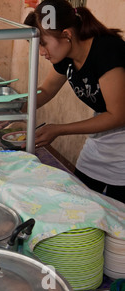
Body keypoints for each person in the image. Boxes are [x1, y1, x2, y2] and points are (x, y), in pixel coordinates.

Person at [23, 0, 125, 203]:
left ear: (67, 35)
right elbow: (46, 89)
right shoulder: (66, 56)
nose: (41, 52)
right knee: (80, 201)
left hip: (121, 145)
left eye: (42, 43)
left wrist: (58, 129)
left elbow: (117, 115)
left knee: (116, 219)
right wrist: (14, 109)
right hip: (101, 142)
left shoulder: (107, 51)